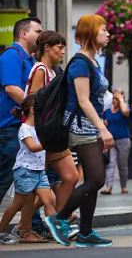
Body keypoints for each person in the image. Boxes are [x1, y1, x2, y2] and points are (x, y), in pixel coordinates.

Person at [44, 14, 113, 247]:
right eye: (103, 30)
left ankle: (85, 233)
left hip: (90, 127)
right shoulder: (80, 62)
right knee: (96, 179)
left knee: (93, 180)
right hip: (81, 127)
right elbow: (83, 100)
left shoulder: (92, 61)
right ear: (91, 32)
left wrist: (101, 126)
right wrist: (103, 129)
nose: (107, 33)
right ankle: (59, 218)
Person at [24, 31, 79, 238]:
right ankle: (31, 225)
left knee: (68, 177)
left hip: (53, 134)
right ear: (47, 48)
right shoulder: (40, 70)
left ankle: (48, 221)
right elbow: (32, 103)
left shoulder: (53, 71)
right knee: (41, 186)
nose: (62, 51)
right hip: (44, 136)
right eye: (59, 47)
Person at [0, 95, 56, 243]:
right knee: (19, 204)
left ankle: (58, 231)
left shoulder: (39, 128)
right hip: (25, 171)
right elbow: (32, 147)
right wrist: (48, 142)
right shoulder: (25, 129)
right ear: (32, 109)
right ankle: (6, 230)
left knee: (48, 200)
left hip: (38, 171)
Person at [0, 17, 41, 206]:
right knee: (4, 178)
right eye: (38, 32)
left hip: (21, 128)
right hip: (10, 129)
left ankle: (30, 226)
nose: (41, 35)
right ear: (24, 34)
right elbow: (11, 88)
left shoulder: (30, 58)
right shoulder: (11, 55)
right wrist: (37, 109)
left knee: (30, 182)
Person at [100, 90, 131, 195]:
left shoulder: (124, 110)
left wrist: (121, 99)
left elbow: (125, 112)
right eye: (113, 98)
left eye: (116, 99)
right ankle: (109, 187)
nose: (113, 101)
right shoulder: (107, 112)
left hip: (123, 140)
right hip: (111, 141)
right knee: (110, 164)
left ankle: (124, 186)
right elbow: (104, 125)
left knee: (122, 165)